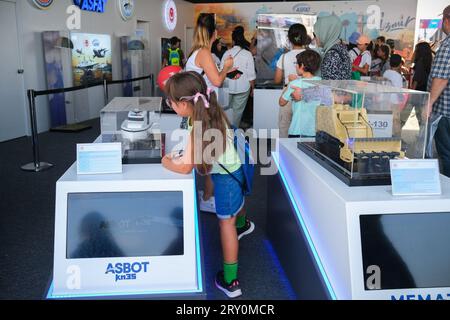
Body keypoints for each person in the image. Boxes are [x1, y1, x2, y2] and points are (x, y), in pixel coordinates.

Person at [163, 71, 255, 298]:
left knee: (226, 224)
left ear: (184, 104)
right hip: (236, 170)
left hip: (226, 178)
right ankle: (243, 224)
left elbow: (185, 167)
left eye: (171, 103)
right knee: (238, 202)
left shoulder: (199, 126)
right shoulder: (213, 111)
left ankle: (231, 281)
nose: (171, 106)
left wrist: (166, 161)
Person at [185, 13, 238, 213]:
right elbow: (217, 81)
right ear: (214, 33)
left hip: (200, 109)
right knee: (215, 154)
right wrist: (225, 68)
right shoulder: (205, 53)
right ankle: (208, 198)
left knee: (210, 152)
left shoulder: (195, 52)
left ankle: (207, 194)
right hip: (206, 110)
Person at [273, 23, 310, 138]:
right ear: (305, 38)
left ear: (289, 39)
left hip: (288, 93)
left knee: (285, 125)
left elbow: (277, 79)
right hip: (306, 93)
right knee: (304, 126)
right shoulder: (310, 56)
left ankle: (284, 152)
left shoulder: (284, 57)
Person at [279, 50, 322, 138]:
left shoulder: (295, 84)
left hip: (297, 130)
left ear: (301, 65)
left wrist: (289, 84)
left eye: (296, 63)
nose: (295, 66)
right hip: (315, 131)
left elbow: (281, 102)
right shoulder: (321, 82)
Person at [428, 5, 450, 177]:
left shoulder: (448, 44)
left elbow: (442, 78)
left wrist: (429, 104)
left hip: (445, 112)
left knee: (446, 154)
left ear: (446, 20)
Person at [220, 26, 256, 128]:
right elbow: (251, 75)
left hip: (227, 87)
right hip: (243, 88)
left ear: (233, 40)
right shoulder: (248, 54)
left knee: (226, 111)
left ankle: (225, 131)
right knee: (237, 112)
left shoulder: (226, 53)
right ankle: (234, 132)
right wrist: (253, 89)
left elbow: (222, 71)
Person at [313, 15, 352, 80]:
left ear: (325, 33)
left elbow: (330, 88)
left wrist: (303, 90)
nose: (314, 37)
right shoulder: (340, 48)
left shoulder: (332, 55)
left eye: (315, 34)